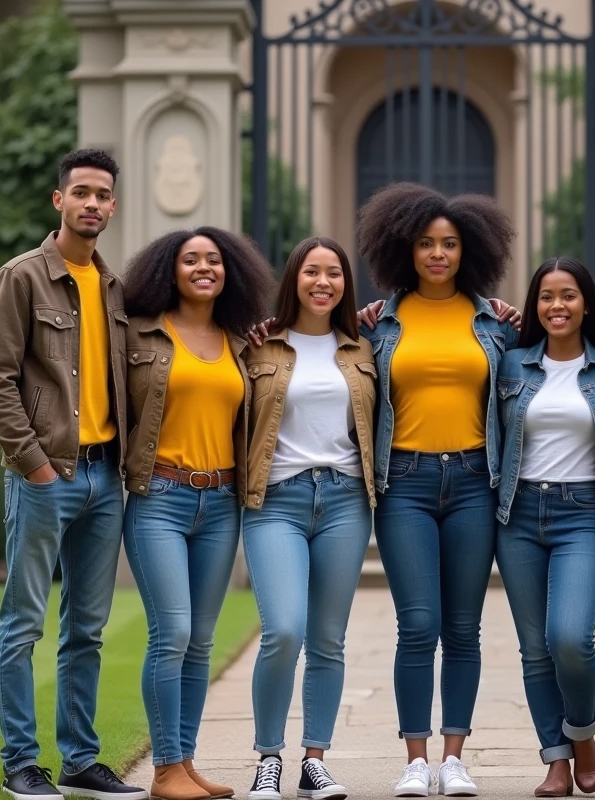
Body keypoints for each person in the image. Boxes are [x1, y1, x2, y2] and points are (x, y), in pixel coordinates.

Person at [0, 148, 147, 800]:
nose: (93, 204)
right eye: (82, 193)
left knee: (86, 630)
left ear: (112, 205)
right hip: (47, 477)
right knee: (23, 624)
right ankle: (21, 762)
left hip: (107, 481)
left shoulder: (116, 288)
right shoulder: (21, 278)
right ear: (59, 201)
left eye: (103, 195)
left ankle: (80, 760)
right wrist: (37, 467)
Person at [353, 182, 518, 797]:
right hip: (407, 484)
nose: (438, 254)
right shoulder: (381, 323)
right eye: (426, 244)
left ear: (469, 249)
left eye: (449, 244)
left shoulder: (495, 324)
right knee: (418, 625)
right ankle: (416, 761)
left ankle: (455, 757)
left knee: (465, 628)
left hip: (475, 481)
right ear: (406, 249)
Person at [120, 226, 275, 800]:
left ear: (230, 270)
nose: (204, 268)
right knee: (173, 632)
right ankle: (164, 771)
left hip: (220, 501)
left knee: (202, 640)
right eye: (191, 260)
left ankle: (185, 763)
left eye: (214, 260)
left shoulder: (241, 340)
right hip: (160, 496)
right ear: (170, 270)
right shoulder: (139, 333)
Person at [241, 237, 378, 800]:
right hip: (277, 500)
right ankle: (268, 757)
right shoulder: (257, 345)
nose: (323, 282)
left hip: (345, 499)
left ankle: (314, 760)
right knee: (283, 629)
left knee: (328, 638)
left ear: (346, 283)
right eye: (312, 272)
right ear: (294, 277)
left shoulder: (363, 347)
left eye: (335, 274)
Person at [494, 257, 595, 798]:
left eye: (568, 295)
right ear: (534, 306)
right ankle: (556, 759)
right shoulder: (512, 363)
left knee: (569, 638)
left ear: (586, 303)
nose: (557, 306)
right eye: (546, 297)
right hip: (518, 513)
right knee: (534, 648)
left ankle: (582, 730)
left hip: (582, 516)